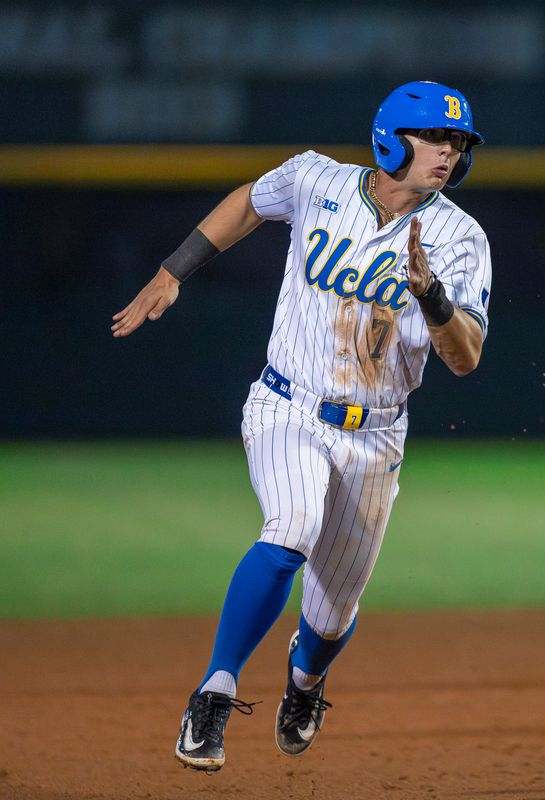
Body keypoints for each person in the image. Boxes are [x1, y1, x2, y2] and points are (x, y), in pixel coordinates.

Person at [111, 80, 492, 770]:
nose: (447, 152)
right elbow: (248, 205)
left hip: (375, 436)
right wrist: (174, 271)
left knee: (330, 616)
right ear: (390, 137)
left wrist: (432, 296)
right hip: (286, 404)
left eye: (458, 143)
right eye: (434, 137)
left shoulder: (461, 237)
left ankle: (305, 681)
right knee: (288, 530)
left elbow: (465, 358)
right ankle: (214, 692)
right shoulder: (315, 177)